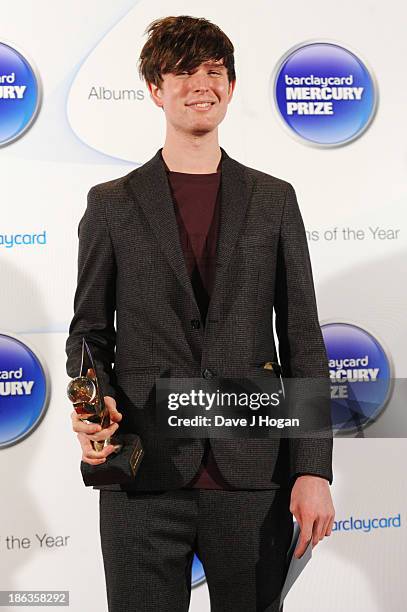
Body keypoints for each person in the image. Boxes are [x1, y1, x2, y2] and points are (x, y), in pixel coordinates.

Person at [66, 15, 335, 612]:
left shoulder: (274, 199)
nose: (200, 85)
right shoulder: (112, 204)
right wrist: (93, 403)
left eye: (213, 72)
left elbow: (302, 338)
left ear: (232, 87)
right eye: (182, 72)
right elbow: (88, 332)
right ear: (156, 90)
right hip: (144, 474)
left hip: (253, 479)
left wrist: (314, 469)